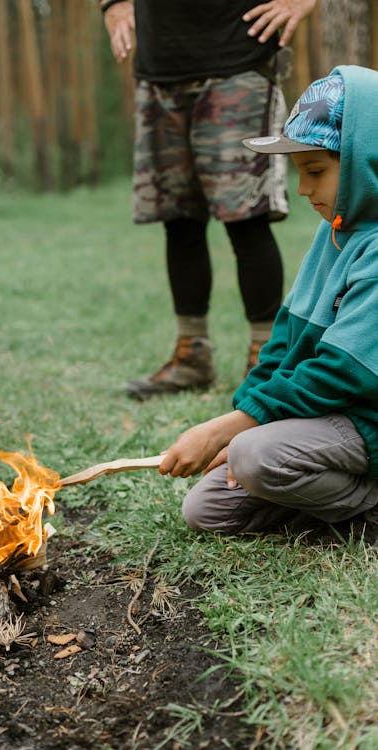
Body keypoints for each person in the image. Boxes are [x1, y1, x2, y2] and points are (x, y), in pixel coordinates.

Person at [158, 66, 378, 543]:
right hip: (329, 422)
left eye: (315, 172)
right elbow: (284, 344)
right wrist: (244, 420)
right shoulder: (333, 235)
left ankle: (367, 505)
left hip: (368, 422)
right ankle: (335, 505)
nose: (303, 190)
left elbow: (345, 370)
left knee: (255, 456)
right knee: (207, 508)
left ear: (367, 160)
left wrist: (235, 428)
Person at [100, 0, 317, 400]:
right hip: (159, 70)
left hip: (238, 63)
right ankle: (191, 355)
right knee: (178, 220)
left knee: (247, 219)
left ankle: (265, 359)